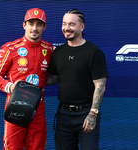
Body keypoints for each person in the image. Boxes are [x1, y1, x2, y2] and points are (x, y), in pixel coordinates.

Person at [0, 8, 54, 150]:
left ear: (44, 27)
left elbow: (54, 76)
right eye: (31, 23)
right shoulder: (10, 48)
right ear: (24, 25)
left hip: (38, 109)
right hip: (15, 106)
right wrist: (11, 87)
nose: (34, 28)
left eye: (39, 24)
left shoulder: (50, 50)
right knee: (12, 147)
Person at [46, 9, 109, 150]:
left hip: (86, 114)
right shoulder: (58, 52)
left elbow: (100, 85)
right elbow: (53, 78)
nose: (67, 28)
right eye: (64, 24)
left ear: (82, 26)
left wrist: (93, 114)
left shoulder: (94, 52)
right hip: (63, 115)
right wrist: (28, 79)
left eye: (72, 24)